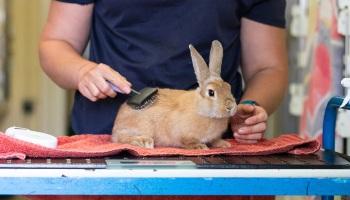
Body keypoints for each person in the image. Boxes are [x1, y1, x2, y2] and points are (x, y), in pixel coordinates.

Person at [39, 0, 288, 144]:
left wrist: (248, 109)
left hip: (210, 150)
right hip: (109, 146)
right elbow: (56, 43)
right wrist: (82, 71)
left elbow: (268, 68)